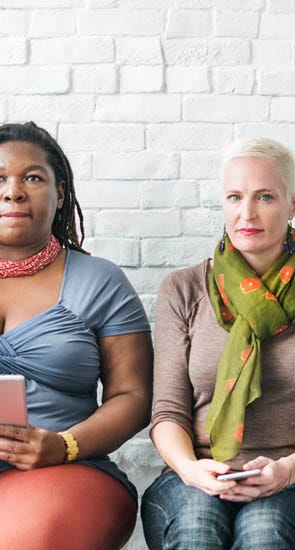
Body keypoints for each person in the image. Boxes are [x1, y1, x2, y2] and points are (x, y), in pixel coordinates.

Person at [141, 137, 295, 549]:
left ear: (293, 204)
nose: (247, 213)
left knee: (263, 533)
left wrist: (285, 471)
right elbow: (167, 413)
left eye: (265, 197)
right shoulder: (183, 288)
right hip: (193, 476)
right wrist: (192, 470)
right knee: (196, 529)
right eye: (234, 197)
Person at [0, 122, 153, 549]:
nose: (13, 191)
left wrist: (64, 445)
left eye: (32, 177)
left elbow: (134, 398)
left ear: (61, 193)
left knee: (30, 536)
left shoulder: (100, 281)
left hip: (66, 470)